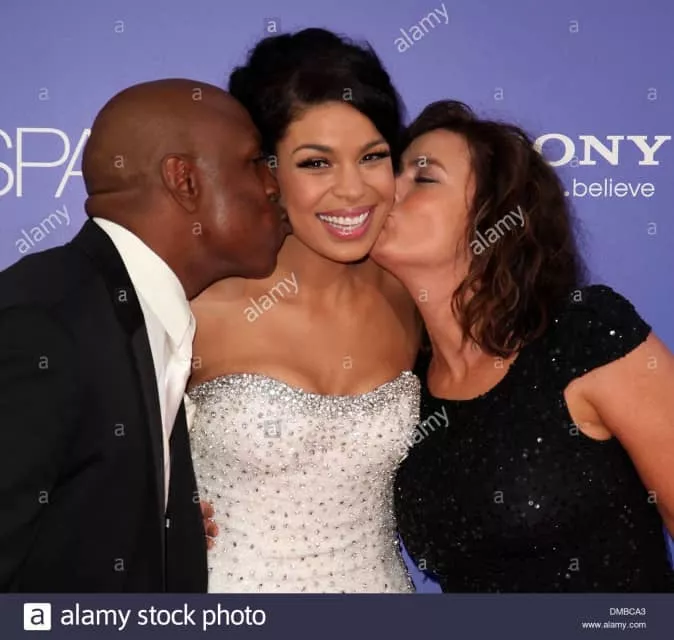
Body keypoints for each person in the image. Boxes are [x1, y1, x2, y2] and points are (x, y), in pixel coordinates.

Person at [370, 100, 674, 592]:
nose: (386, 190)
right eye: (391, 173)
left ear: (493, 216)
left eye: (423, 178)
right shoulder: (402, 383)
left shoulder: (583, 335)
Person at [0, 78, 287, 592]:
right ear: (184, 180)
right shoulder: (46, 324)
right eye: (253, 162)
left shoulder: (131, 309)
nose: (272, 184)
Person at [186, 29, 421, 593]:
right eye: (316, 163)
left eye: (372, 157)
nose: (353, 190)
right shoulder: (198, 304)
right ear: (265, 173)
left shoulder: (413, 297)